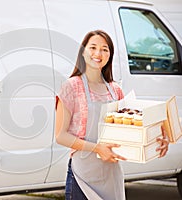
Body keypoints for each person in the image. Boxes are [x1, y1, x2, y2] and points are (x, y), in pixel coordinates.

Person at [55, 30, 169, 200]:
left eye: (104, 49)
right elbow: (60, 136)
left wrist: (156, 140)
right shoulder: (71, 87)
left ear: (110, 55)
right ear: (83, 52)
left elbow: (130, 129)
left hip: (111, 176)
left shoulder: (115, 90)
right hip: (82, 176)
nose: (98, 53)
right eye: (92, 47)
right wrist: (97, 148)